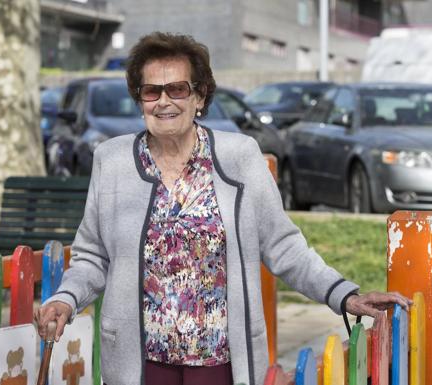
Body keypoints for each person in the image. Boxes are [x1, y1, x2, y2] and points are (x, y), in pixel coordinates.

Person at [35, 32, 411, 385]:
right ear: (140, 99)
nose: (164, 101)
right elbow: (92, 256)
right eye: (152, 91)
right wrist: (65, 300)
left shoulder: (240, 156)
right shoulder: (111, 161)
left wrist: (343, 295)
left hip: (221, 360)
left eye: (177, 88)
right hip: (140, 361)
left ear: (199, 97)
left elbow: (283, 246)